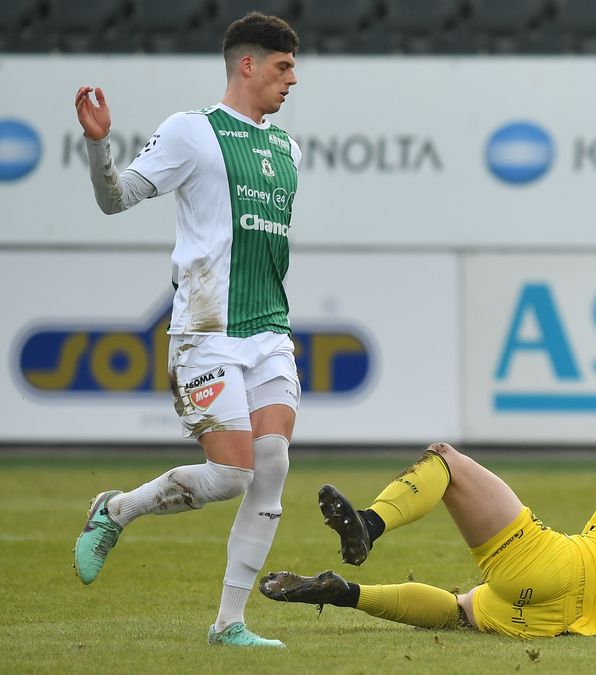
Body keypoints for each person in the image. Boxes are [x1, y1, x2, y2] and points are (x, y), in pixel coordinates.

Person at [71, 12, 302, 648]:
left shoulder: (287, 148)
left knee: (273, 461)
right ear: (247, 65)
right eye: (283, 67)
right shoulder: (191, 132)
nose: (293, 80)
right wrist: (99, 144)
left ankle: (230, 623)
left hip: (268, 329)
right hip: (205, 328)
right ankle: (116, 510)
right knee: (231, 477)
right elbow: (114, 198)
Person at [259, 443, 596, 637]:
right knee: (460, 609)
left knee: (445, 461)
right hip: (555, 624)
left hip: (551, 566)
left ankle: (371, 523)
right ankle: (345, 595)